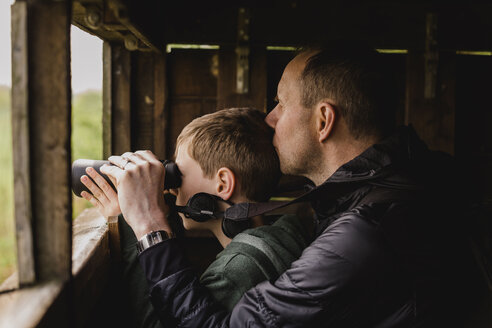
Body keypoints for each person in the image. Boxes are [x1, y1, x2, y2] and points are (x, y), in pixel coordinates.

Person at [102, 41, 481, 327]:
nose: (269, 119)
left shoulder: (365, 233)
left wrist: (150, 225)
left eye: (281, 103)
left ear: (323, 121)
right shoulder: (402, 185)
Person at [81, 107, 312, 326]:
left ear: (223, 184)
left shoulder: (239, 270)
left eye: (178, 174)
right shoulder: (281, 238)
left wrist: (135, 225)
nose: (171, 188)